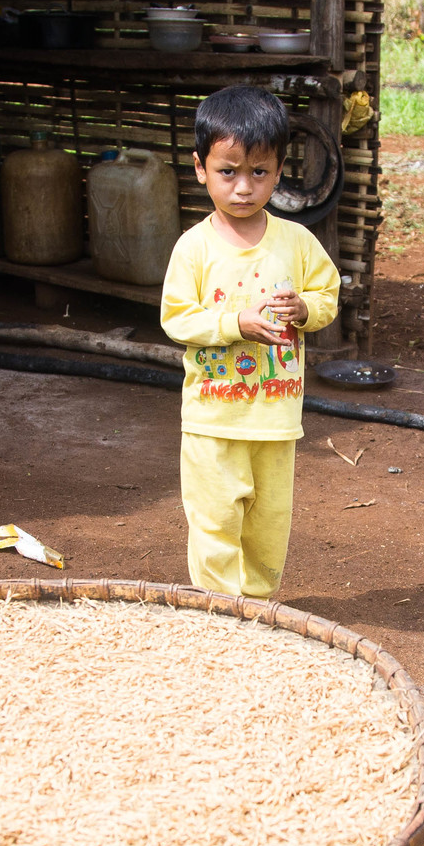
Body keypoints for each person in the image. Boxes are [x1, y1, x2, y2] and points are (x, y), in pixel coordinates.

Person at [159, 85, 341, 599]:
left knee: (268, 523)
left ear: (279, 171)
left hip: (276, 421)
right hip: (212, 420)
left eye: (258, 172)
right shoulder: (194, 248)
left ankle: (258, 609)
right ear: (201, 168)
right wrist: (235, 323)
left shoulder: (297, 242)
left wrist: (307, 310)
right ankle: (220, 609)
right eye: (228, 171)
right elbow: (177, 319)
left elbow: (328, 292)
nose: (243, 187)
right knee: (215, 518)